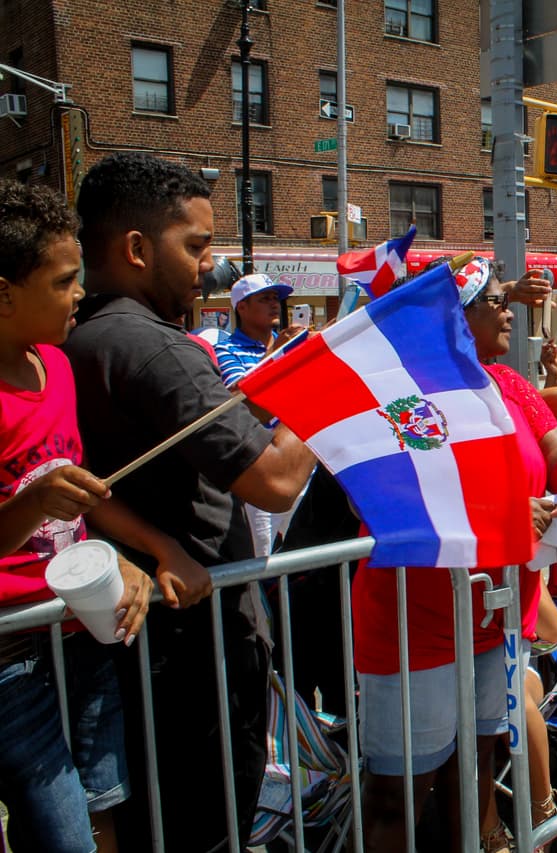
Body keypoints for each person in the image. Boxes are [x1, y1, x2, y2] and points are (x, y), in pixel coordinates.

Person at [64, 152, 316, 852]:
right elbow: (274, 480)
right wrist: (327, 390)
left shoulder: (82, 337)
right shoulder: (152, 349)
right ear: (138, 248)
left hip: (143, 645)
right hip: (192, 653)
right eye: (197, 245)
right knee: (206, 824)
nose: (211, 265)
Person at [352, 257, 557, 853]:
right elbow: (397, 496)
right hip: (419, 621)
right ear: (452, 317)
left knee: (480, 762)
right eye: (494, 300)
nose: (508, 310)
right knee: (400, 791)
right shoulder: (402, 397)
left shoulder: (508, 384)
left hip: (496, 616)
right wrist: (504, 512)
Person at [0, 179, 177, 853]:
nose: (80, 294)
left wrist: (131, 561)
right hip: (12, 657)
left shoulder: (59, 366)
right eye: (64, 280)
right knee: (61, 828)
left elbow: (86, 506)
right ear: (5, 293)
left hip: (82, 633)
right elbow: (43, 508)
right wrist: (31, 503)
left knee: (104, 807)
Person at [213, 273, 309, 556]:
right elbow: (246, 405)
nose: (274, 304)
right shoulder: (226, 349)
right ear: (241, 307)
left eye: (276, 298)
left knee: (302, 556)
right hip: (262, 470)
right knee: (261, 558)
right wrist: (276, 356)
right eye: (264, 299)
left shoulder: (294, 347)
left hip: (303, 468)